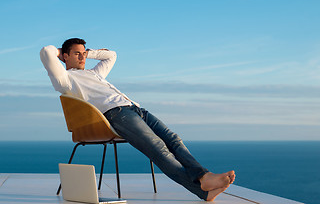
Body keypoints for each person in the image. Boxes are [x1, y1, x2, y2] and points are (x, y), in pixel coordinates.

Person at [40, 38, 235, 201]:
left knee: (173, 139)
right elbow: (45, 52)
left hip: (136, 109)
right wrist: (62, 50)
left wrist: (86, 52)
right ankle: (200, 189)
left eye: (84, 53)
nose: (82, 57)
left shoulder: (93, 73)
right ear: (64, 57)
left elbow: (112, 55)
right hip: (116, 115)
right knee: (158, 148)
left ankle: (204, 177)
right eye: (77, 54)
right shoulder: (65, 79)